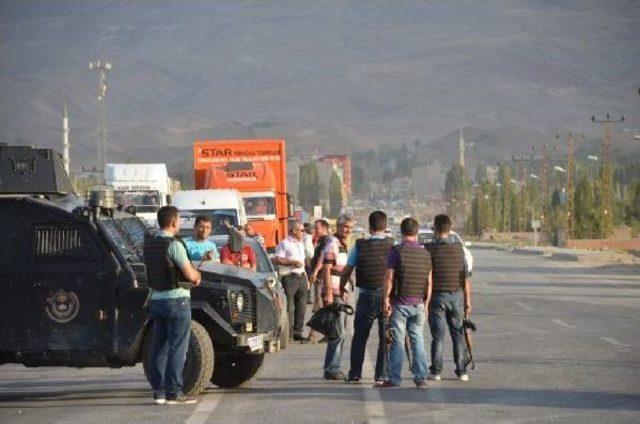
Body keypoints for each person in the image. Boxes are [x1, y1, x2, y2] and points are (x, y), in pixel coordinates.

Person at [144, 206, 202, 405]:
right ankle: (174, 393)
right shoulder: (174, 245)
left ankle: (158, 392)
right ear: (174, 222)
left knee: (159, 348)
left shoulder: (150, 244)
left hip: (156, 300)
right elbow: (189, 274)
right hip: (177, 300)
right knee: (178, 348)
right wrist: (197, 276)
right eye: (179, 220)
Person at [340, 211, 394, 384]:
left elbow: (348, 269)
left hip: (366, 296)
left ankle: (355, 373)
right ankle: (381, 375)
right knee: (385, 337)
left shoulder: (359, 246)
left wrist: (342, 287)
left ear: (370, 227)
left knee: (360, 337)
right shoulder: (393, 246)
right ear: (385, 227)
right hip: (387, 297)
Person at [379, 217, 431, 389]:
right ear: (416, 232)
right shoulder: (426, 254)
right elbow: (429, 282)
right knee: (418, 341)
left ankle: (394, 378)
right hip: (419, 304)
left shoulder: (396, 251)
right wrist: (427, 303)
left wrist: (386, 299)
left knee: (398, 342)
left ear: (401, 232)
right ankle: (421, 377)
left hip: (400, 304)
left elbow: (389, 277)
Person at [425, 214, 472, 382]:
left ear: (436, 229)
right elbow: (465, 278)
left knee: (438, 336)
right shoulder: (460, 249)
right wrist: (468, 302)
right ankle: (462, 371)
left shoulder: (429, 249)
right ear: (450, 229)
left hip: (437, 297)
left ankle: (436, 371)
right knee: (458, 335)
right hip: (457, 296)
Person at [321, 213, 355, 380]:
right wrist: (327, 292)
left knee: (337, 332)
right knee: (339, 332)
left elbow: (342, 268)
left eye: (350, 227)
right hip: (334, 293)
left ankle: (330, 368)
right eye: (344, 227)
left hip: (342, 292)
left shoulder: (344, 245)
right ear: (338, 227)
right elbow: (327, 269)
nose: (347, 230)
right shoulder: (333, 244)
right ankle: (333, 368)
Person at [272, 220, 309, 342]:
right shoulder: (284, 243)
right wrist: (292, 262)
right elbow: (277, 259)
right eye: (301, 230)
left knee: (302, 306)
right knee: (289, 307)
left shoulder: (301, 243)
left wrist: (307, 277)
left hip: (302, 277)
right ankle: (287, 333)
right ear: (294, 231)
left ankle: (298, 332)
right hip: (290, 277)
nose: (303, 233)